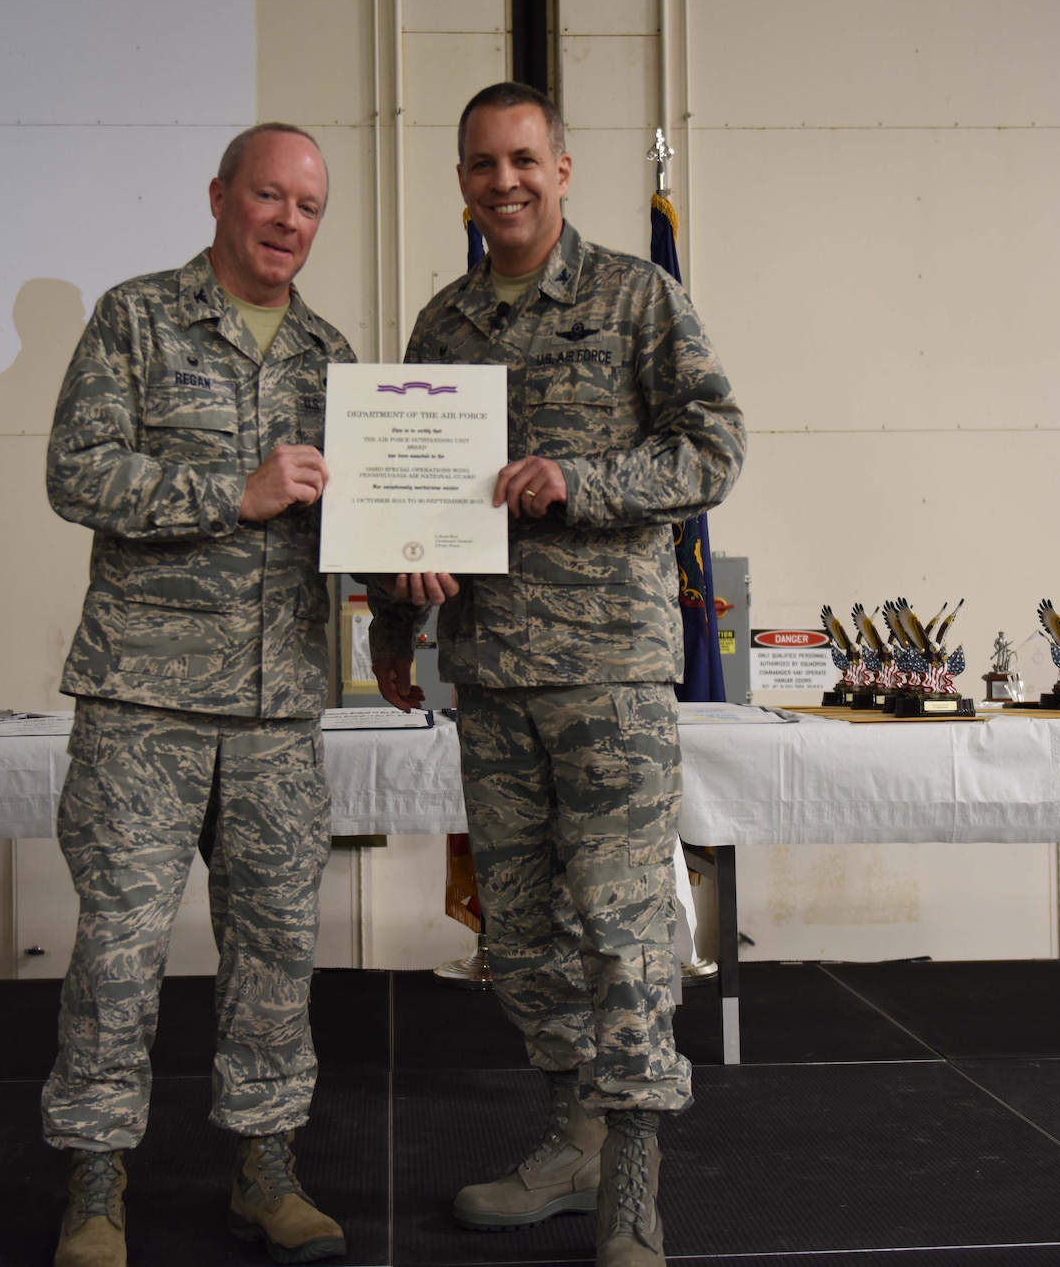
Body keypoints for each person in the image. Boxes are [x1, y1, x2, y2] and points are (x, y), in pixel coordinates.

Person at [363, 83, 746, 1267]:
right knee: (519, 937)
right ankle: (575, 1139)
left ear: (563, 170)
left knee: (626, 931)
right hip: (490, 674)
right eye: (480, 165)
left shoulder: (637, 296)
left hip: (607, 679)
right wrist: (402, 591)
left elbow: (714, 446)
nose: (502, 183)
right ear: (463, 181)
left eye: (522, 160)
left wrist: (582, 483)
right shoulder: (440, 325)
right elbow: (408, 502)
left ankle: (632, 1177)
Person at [41, 123, 354, 1267]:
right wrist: (236, 491)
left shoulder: (333, 356)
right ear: (219, 196)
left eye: (308, 206)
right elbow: (75, 473)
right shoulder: (136, 316)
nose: (287, 222)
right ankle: (92, 1182)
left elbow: (354, 520)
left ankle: (265, 1170)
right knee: (119, 948)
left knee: (274, 947)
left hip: (277, 707)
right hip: (145, 700)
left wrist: (411, 567)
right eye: (268, 196)